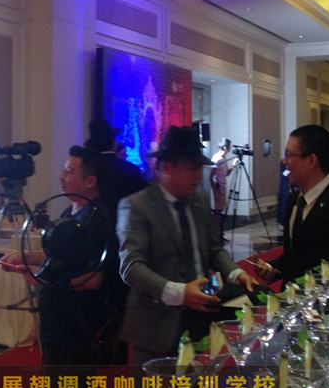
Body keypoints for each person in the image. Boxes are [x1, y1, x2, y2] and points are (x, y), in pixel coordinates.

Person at [117, 126, 257, 364]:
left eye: (199, 168)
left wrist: (235, 272)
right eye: (192, 168)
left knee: (200, 385)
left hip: (202, 318)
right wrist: (180, 293)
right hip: (157, 327)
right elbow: (131, 267)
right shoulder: (137, 206)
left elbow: (213, 249)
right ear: (167, 167)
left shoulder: (199, 200)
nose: (198, 175)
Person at [0, 145, 118, 365]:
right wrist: (24, 257)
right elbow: (56, 255)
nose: (62, 176)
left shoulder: (95, 222)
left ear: (90, 181)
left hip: (76, 320)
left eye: (69, 171)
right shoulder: (71, 211)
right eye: (63, 170)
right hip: (57, 317)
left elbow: (93, 279)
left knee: (71, 381)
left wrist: (39, 278)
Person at [254, 125, 329, 283]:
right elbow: (294, 255)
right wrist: (272, 268)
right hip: (290, 296)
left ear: (311, 160)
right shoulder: (294, 199)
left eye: (289, 155)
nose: (284, 161)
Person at [84, 117, 144, 223]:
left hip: (94, 224)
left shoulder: (88, 169)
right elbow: (139, 204)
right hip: (126, 224)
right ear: (114, 143)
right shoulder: (130, 169)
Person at [210, 138, 238, 213]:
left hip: (222, 187)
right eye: (229, 146)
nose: (230, 148)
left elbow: (226, 174)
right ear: (226, 148)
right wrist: (215, 192)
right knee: (218, 210)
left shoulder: (223, 158)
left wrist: (233, 165)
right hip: (218, 187)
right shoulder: (217, 158)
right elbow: (211, 177)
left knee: (221, 209)